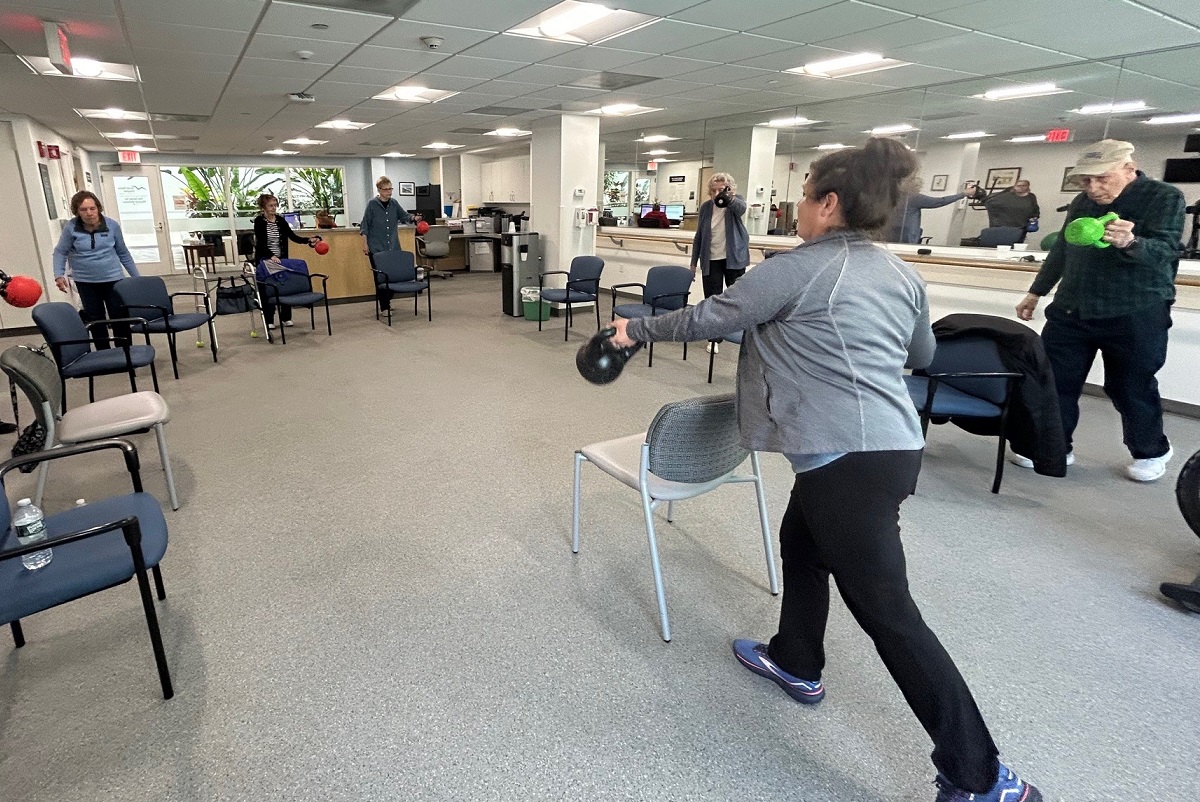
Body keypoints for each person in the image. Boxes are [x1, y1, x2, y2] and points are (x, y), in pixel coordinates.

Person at [609, 137, 1042, 802]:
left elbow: (713, 316)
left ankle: (983, 778)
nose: (798, 210)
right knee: (801, 544)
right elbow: (921, 349)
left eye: (805, 197)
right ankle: (796, 659)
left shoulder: (801, 266)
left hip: (850, 462)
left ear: (829, 205)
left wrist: (633, 331)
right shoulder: (899, 273)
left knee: (890, 615)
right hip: (888, 447)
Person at [1014, 139, 1186, 482]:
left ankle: (1151, 450)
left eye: (1101, 178)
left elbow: (1167, 251)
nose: (1093, 188)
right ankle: (1055, 446)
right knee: (1056, 381)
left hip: (1137, 308)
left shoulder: (1163, 196)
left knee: (1129, 386)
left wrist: (1132, 242)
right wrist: (1036, 292)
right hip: (1072, 308)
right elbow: (1061, 249)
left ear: (1128, 167)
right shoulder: (1083, 201)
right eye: (1085, 180)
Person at [52, 190, 140, 350]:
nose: (89, 213)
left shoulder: (112, 226)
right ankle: (103, 352)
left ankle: (125, 350)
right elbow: (60, 251)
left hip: (113, 279)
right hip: (85, 281)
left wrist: (136, 277)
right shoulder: (71, 228)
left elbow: (123, 252)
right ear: (77, 212)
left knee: (119, 316)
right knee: (96, 318)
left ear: (98, 208)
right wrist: (59, 275)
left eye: (92, 208)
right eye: (83, 210)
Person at [692, 172, 749, 353]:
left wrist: (729, 197)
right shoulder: (706, 208)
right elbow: (699, 236)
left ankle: (741, 334)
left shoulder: (735, 203)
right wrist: (694, 262)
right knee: (712, 300)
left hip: (734, 259)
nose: (718, 194)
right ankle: (714, 337)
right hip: (711, 259)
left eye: (721, 189)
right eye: (714, 190)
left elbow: (741, 209)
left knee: (738, 298)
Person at [253, 193, 318, 329]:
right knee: (269, 288)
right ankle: (269, 319)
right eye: (270, 205)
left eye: (275, 205)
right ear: (263, 207)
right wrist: (271, 255)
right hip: (265, 259)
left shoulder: (280, 221)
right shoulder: (259, 221)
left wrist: (307, 240)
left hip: (281, 259)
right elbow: (260, 243)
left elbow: (292, 236)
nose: (273, 208)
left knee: (284, 286)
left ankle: (286, 317)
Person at [360, 176, 416, 313]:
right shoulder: (372, 204)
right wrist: (365, 244)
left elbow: (404, 216)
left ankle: (387, 301)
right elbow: (365, 226)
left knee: (394, 277)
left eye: (390, 188)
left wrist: (414, 218)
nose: (389, 192)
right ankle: (384, 307)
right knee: (380, 278)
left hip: (392, 246)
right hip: (376, 248)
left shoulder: (394, 203)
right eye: (386, 189)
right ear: (379, 190)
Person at [885, 189, 968, 243]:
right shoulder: (914, 197)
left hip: (888, 236)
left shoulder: (887, 197)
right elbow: (939, 202)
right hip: (907, 238)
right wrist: (963, 194)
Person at [969, 179, 1040, 241]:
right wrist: (980, 196)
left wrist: (1034, 218)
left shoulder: (1031, 197)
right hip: (1001, 228)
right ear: (1014, 186)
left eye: (1024, 185)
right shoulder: (1005, 196)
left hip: (1020, 229)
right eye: (1019, 185)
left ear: (1028, 186)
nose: (1021, 187)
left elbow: (1035, 210)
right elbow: (988, 201)